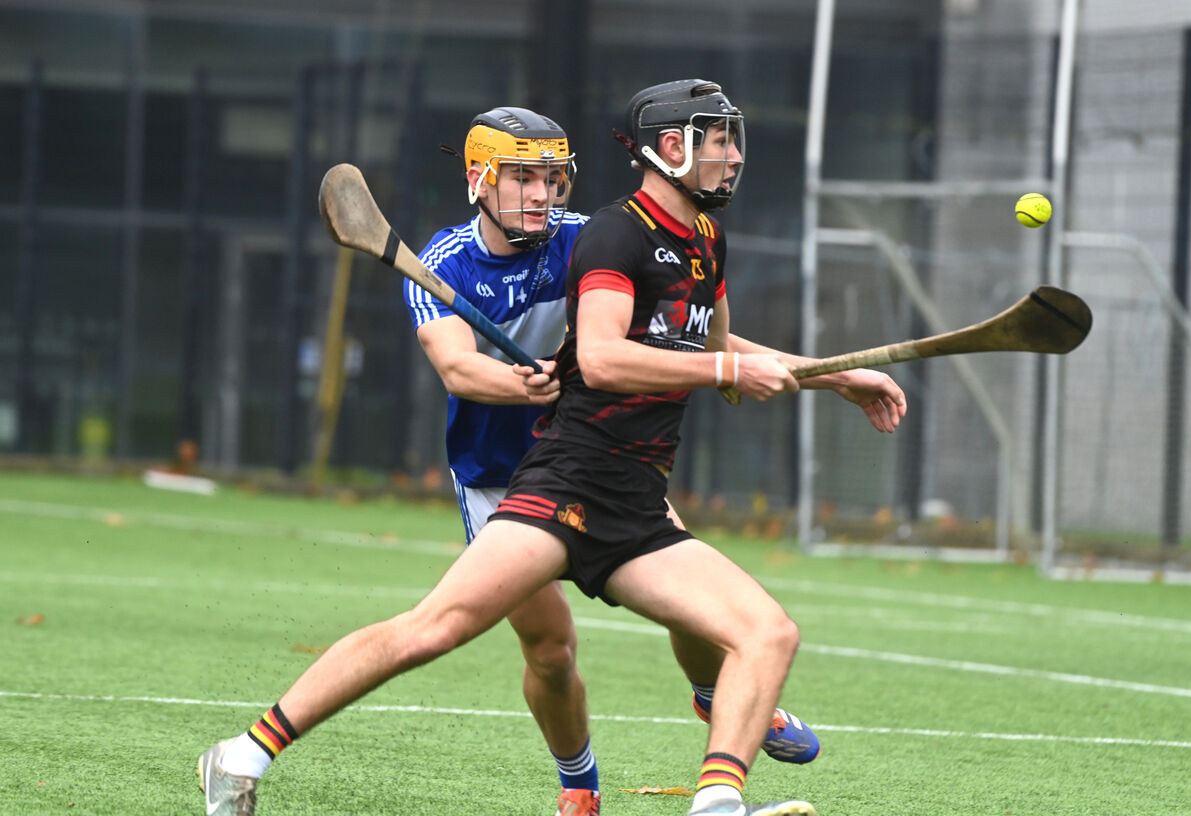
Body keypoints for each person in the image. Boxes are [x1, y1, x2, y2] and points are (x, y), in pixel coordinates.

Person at [197, 81, 905, 816]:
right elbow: (461, 369)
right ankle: (253, 756)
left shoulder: (597, 237)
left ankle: (714, 762)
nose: (541, 195)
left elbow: (704, 343)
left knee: (759, 630)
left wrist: (832, 375)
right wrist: (520, 383)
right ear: (481, 180)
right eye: (522, 178)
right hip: (519, 477)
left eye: (552, 179)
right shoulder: (455, 261)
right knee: (522, 643)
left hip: (617, 476)